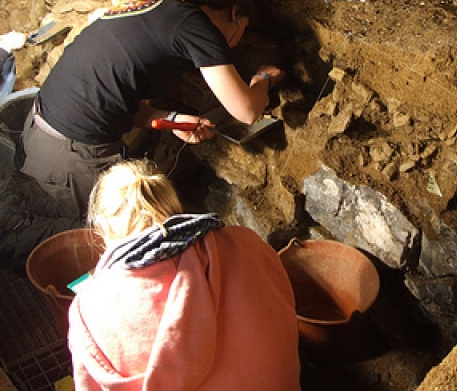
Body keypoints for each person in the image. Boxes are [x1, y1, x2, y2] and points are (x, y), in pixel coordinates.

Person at [0, 0, 283, 272]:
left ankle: (19, 207)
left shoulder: (158, 12)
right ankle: (11, 240)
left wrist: (170, 120)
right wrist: (263, 79)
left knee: (67, 206)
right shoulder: (200, 28)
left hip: (42, 130)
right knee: (106, 237)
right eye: (243, 26)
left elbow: (115, 95)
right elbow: (246, 111)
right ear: (235, 13)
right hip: (73, 154)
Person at [68, 159, 301, 391]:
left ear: (102, 230)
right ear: (172, 206)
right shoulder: (245, 242)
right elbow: (285, 309)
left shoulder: (88, 309)